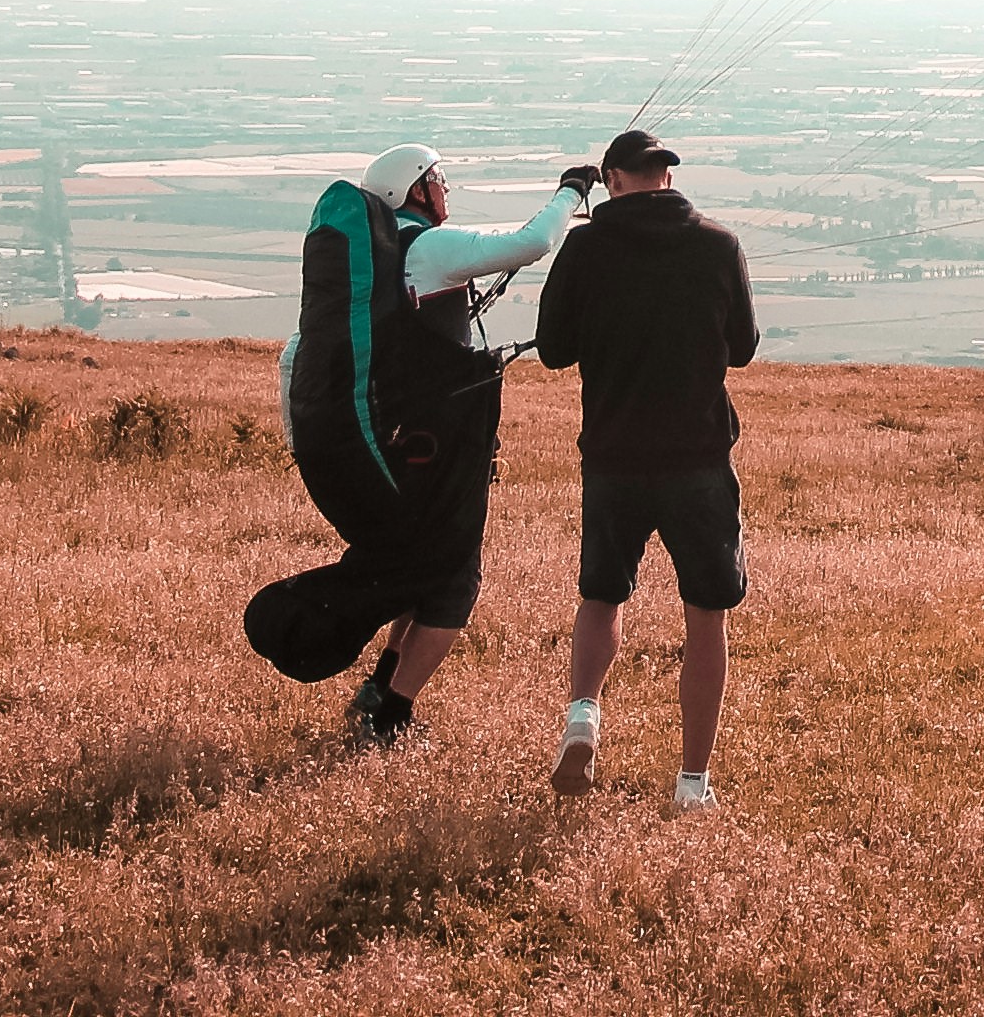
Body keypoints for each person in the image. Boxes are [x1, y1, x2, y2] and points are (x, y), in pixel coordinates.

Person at [251, 143, 584, 748]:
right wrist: (571, 192)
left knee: (421, 566)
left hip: (382, 450)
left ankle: (379, 688)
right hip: (436, 452)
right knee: (455, 579)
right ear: (415, 189)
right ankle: (390, 717)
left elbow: (297, 355)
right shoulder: (427, 248)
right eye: (439, 179)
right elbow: (532, 243)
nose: (446, 189)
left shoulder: (370, 268)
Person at [535, 125, 759, 810]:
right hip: (698, 459)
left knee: (602, 596)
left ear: (613, 180)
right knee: (706, 616)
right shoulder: (718, 244)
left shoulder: (585, 247)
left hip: (613, 455)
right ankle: (693, 783)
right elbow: (743, 348)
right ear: (667, 176)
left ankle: (583, 715)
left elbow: (552, 349)